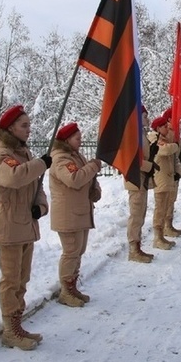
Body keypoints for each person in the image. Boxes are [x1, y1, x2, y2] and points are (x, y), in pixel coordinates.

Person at [0, 105, 50, 351]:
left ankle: (17, 323)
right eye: (24, 125)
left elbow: (36, 185)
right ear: (10, 128)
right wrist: (41, 164)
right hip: (9, 224)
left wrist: (41, 207)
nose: (29, 130)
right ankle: (10, 330)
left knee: (22, 279)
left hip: (25, 223)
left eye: (29, 125)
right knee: (11, 280)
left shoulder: (23, 152)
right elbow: (12, 178)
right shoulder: (2, 153)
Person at [49, 122, 102, 307]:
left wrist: (95, 188)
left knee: (78, 251)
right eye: (77, 138)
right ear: (67, 140)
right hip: (68, 214)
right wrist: (93, 167)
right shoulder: (61, 159)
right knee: (71, 252)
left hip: (79, 212)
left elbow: (86, 178)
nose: (80, 142)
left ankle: (72, 286)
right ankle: (65, 290)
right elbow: (75, 179)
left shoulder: (75, 156)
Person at [125, 106, 158, 263]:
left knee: (141, 213)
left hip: (142, 178)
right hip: (135, 178)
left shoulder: (141, 133)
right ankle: (133, 248)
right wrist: (149, 166)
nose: (147, 118)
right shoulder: (132, 134)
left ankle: (137, 246)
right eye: (145, 115)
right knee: (136, 214)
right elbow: (132, 159)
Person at [149, 115, 180, 250]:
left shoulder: (164, 139)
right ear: (158, 128)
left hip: (167, 178)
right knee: (160, 208)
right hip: (160, 179)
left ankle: (162, 234)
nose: (168, 128)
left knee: (166, 205)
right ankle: (157, 237)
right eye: (165, 127)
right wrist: (175, 144)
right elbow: (166, 150)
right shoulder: (155, 139)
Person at [161, 107, 181, 237]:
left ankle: (169, 223)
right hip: (167, 171)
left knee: (172, 198)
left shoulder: (174, 132)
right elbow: (169, 150)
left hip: (174, 170)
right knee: (168, 199)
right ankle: (165, 225)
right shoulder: (168, 132)